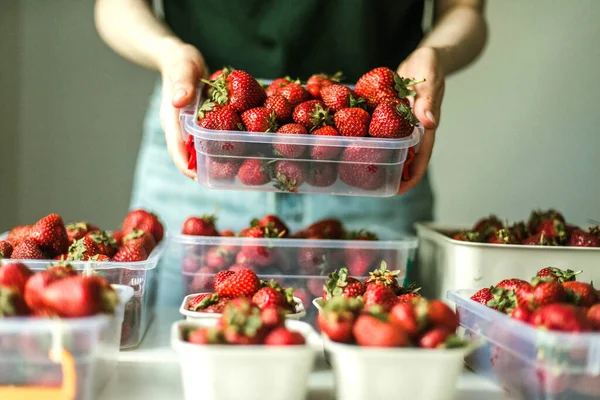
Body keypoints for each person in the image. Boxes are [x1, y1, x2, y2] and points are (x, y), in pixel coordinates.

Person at [95, 0, 487, 306]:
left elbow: (464, 8)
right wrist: (168, 53)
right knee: (179, 348)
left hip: (367, 160)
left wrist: (434, 54)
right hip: (211, 144)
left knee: (377, 350)